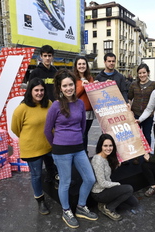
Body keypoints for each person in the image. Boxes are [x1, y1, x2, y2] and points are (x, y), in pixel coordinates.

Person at [44, 69, 98, 228]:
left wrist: (75, 140)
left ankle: (81, 207)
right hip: (61, 150)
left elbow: (82, 126)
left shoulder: (80, 103)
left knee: (90, 178)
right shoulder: (55, 106)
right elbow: (47, 130)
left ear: (75, 85)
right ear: (60, 88)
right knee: (65, 182)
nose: (69, 88)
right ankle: (66, 210)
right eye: (65, 86)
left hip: (78, 148)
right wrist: (56, 146)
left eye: (71, 85)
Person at [11, 78, 52, 215]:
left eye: (41, 90)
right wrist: (30, 137)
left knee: (54, 170)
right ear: (30, 91)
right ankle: (40, 200)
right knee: (36, 175)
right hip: (32, 148)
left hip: (49, 145)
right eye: (36, 90)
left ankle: (52, 188)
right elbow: (15, 128)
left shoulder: (49, 104)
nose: (39, 93)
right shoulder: (22, 109)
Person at [91, 134, 139, 221]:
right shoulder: (97, 160)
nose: (108, 148)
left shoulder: (106, 157)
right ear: (100, 146)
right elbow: (102, 183)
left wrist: (116, 165)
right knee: (129, 189)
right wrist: (117, 184)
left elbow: (107, 172)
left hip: (106, 189)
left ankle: (106, 203)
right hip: (99, 192)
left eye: (110, 145)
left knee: (134, 202)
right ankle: (108, 208)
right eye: (105, 146)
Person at [28, 45, 58, 182]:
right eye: (45, 56)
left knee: (53, 141)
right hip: (40, 111)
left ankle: (53, 173)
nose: (47, 58)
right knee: (43, 139)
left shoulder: (55, 71)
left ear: (52, 57)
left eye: (49, 56)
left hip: (54, 110)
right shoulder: (35, 73)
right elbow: (30, 92)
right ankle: (43, 174)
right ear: (40, 57)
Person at [128, 63, 155, 147]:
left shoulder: (154, 85)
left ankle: (147, 154)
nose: (142, 75)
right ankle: (137, 154)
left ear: (148, 72)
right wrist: (129, 109)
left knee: (146, 135)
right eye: (140, 73)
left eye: (144, 72)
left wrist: (153, 112)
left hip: (148, 116)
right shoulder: (133, 84)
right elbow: (130, 98)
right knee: (135, 136)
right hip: (135, 115)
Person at [73, 56, 95, 154]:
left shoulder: (90, 78)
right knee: (80, 134)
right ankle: (81, 153)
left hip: (89, 111)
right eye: (79, 64)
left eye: (83, 64)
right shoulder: (72, 78)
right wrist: (82, 86)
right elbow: (73, 95)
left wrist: (96, 85)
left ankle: (84, 153)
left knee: (85, 134)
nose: (82, 66)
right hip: (78, 111)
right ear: (76, 66)